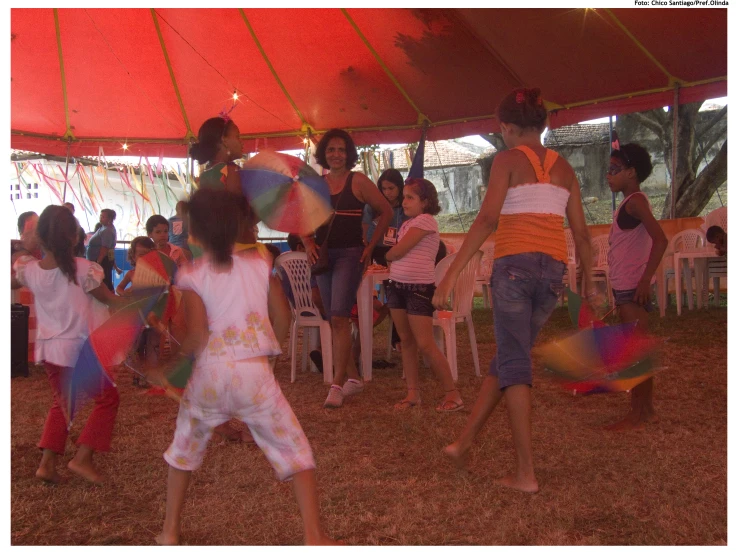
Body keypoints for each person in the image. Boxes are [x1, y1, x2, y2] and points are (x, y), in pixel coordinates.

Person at [433, 88, 594, 493]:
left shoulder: (506, 159)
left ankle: (526, 474)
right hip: (551, 274)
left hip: (515, 269)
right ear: (542, 125)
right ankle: (463, 443)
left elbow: (487, 219)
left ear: (506, 127)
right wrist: (588, 283)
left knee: (515, 364)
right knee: (509, 356)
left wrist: (452, 274)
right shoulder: (565, 169)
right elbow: (581, 234)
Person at [154, 189, 336, 546]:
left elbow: (194, 336)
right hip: (255, 375)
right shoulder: (261, 262)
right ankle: (314, 537)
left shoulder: (191, 274)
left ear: (198, 233)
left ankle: (169, 531)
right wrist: (272, 351)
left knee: (183, 452)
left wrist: (167, 368)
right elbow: (283, 316)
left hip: (209, 375)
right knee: (296, 451)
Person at [12, 205, 123, 484]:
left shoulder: (31, 270)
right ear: (75, 237)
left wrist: (27, 245)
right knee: (107, 399)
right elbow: (111, 300)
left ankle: (47, 465)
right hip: (82, 348)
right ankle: (82, 458)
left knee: (62, 404)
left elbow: (17, 266)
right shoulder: (86, 270)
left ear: (42, 238)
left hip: (51, 350)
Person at [301, 128, 393, 408]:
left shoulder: (359, 181)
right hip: (324, 255)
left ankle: (336, 384)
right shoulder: (316, 184)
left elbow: (386, 210)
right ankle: (353, 379)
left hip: (351, 255)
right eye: (331, 150)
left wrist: (371, 246)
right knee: (333, 317)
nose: (336, 154)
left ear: (349, 154)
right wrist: (306, 242)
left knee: (339, 316)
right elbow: (301, 216)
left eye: (341, 150)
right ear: (324, 154)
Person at [384, 178, 463, 412]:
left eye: (411, 197)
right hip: (397, 286)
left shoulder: (426, 221)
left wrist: (389, 254)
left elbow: (397, 251)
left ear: (425, 202)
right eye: (405, 197)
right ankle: (413, 393)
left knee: (425, 344)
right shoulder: (409, 223)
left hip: (418, 289)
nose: (404, 201)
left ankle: (453, 394)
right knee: (406, 341)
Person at [605, 142, 668, 431]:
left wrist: (644, 280)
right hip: (626, 289)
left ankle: (637, 414)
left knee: (634, 354)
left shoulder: (635, 202)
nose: (609, 176)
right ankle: (648, 410)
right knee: (637, 350)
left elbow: (661, 239)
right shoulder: (629, 202)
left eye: (614, 170)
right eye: (608, 170)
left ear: (631, 173)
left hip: (633, 289)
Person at [191, 116, 261, 251]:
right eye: (237, 136)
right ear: (224, 140)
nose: (242, 142)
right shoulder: (231, 172)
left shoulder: (206, 175)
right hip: (236, 251)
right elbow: (239, 223)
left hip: (213, 251)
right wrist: (266, 208)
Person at [362, 169, 409, 266]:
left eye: (391, 188)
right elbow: (364, 229)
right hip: (374, 249)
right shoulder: (373, 205)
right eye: (384, 189)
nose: (387, 192)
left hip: (397, 250)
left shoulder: (406, 205)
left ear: (400, 187)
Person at [86, 208, 118, 291]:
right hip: (99, 259)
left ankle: (110, 299)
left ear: (109, 219)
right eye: (101, 216)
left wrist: (98, 262)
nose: (100, 218)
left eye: (103, 217)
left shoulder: (107, 230)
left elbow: (104, 248)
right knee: (104, 280)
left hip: (103, 260)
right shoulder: (103, 228)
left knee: (105, 281)